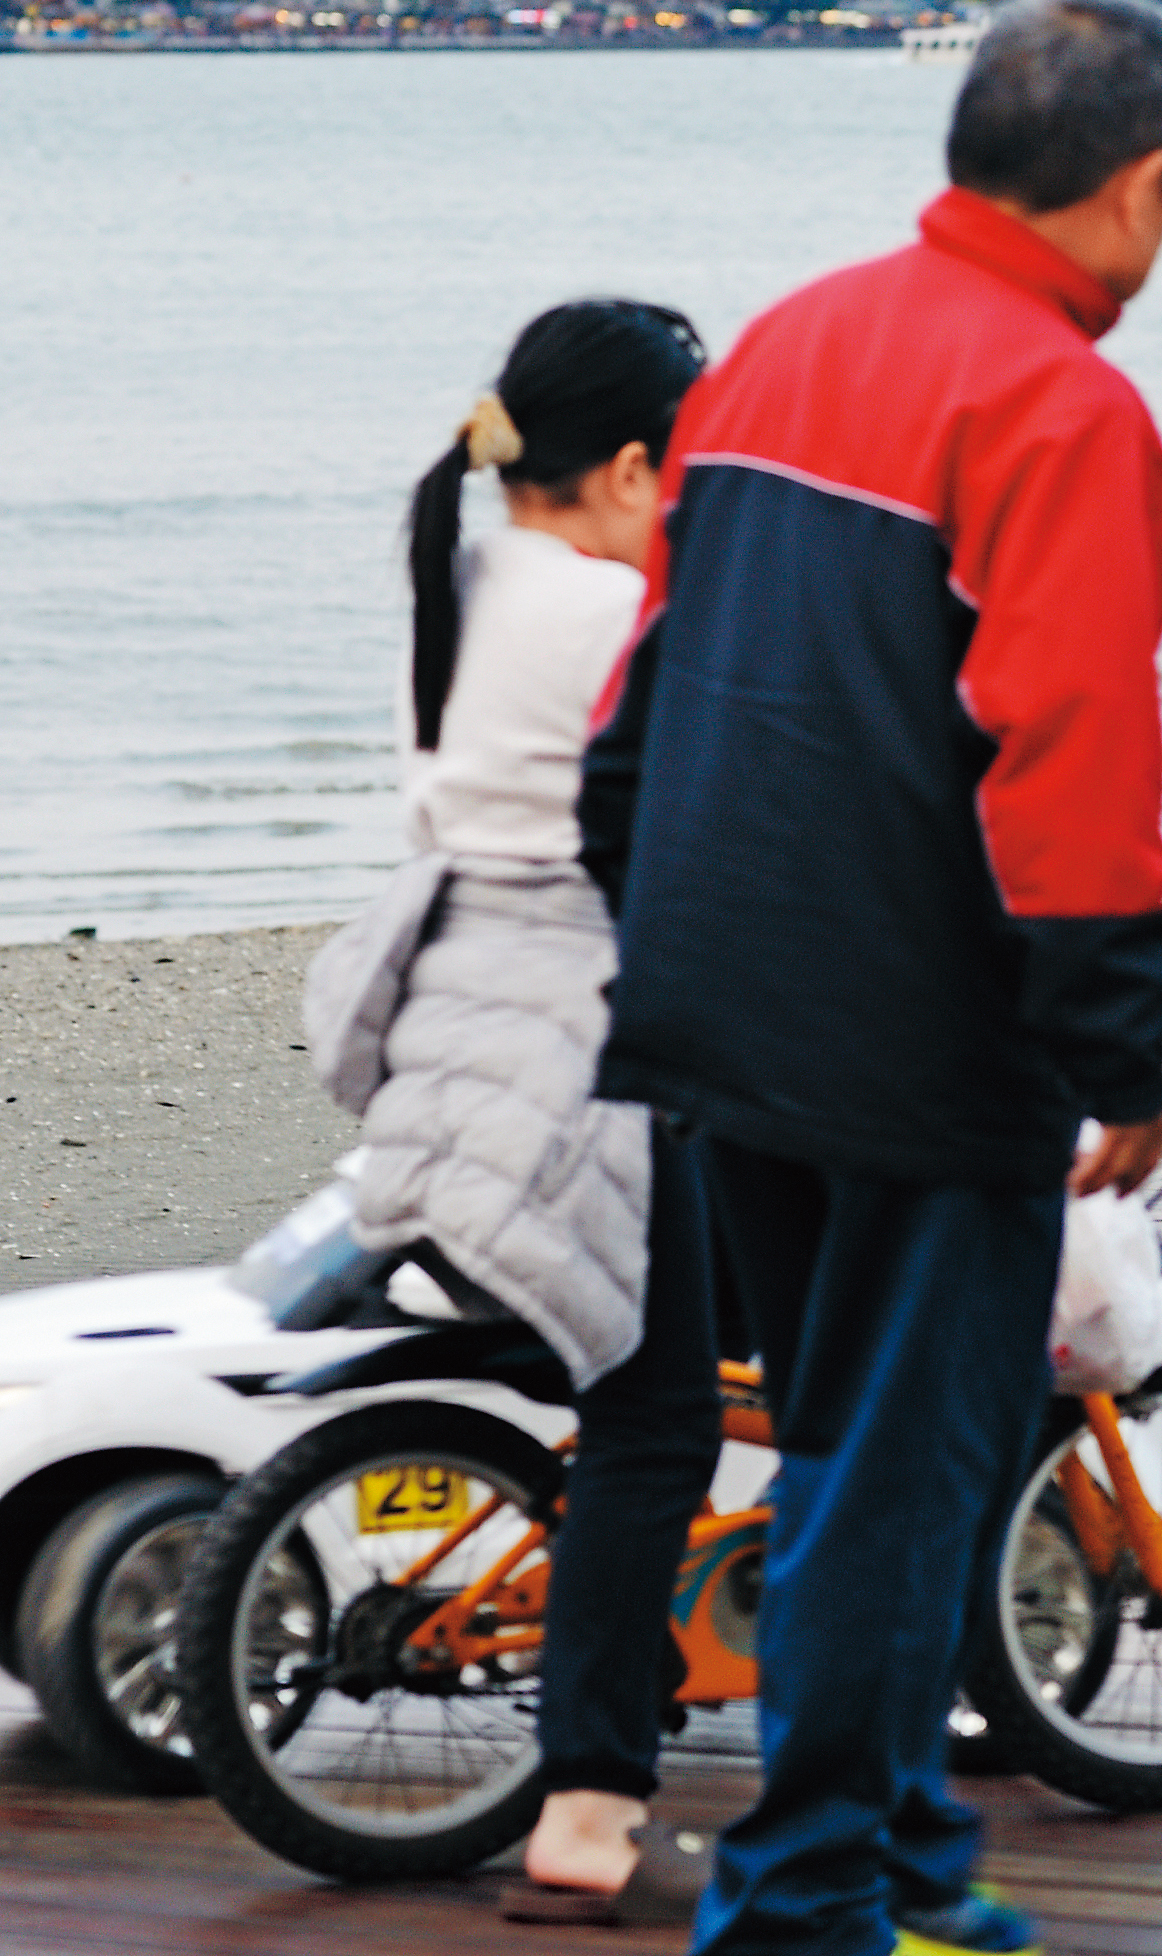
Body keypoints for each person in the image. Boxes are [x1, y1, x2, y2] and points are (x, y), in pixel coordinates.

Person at [580, 0, 1162, 1956]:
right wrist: (1115, 1042)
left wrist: (653, 908)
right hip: (923, 1031)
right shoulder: (1058, 404)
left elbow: (644, 690)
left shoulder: (782, 340)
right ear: (1142, 186)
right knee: (892, 1470)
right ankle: (803, 1906)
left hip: (717, 993)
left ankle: (912, 1863)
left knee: (864, 1440)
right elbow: (1069, 752)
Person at [342, 302, 726, 1927]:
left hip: (450, 1016)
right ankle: (586, 1803)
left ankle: (632, 1668)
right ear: (636, 462)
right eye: (688, 459)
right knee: (663, 1420)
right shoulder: (613, 599)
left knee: (650, 1358)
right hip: (567, 1040)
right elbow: (711, 803)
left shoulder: (467, 569)